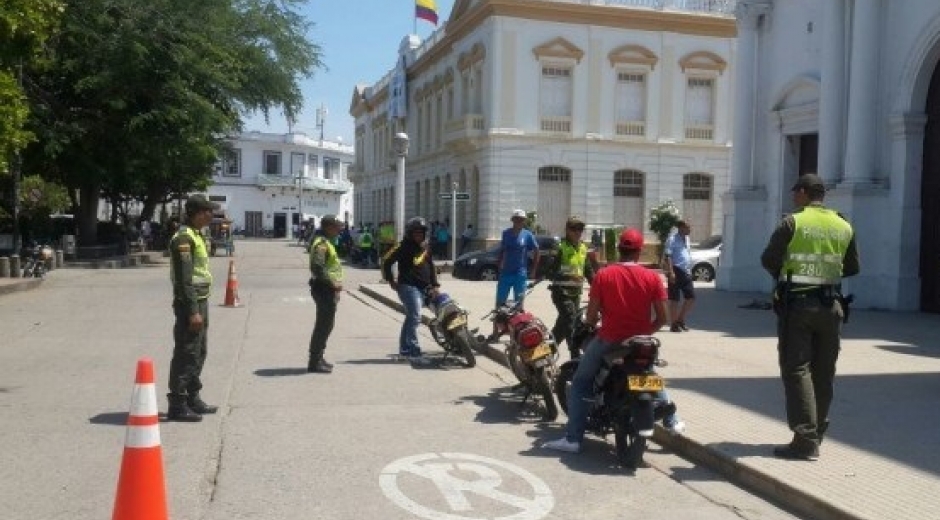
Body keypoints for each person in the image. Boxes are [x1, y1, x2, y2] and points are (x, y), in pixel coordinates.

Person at [543, 228, 678, 453]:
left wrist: (591, 323)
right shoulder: (652, 277)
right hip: (640, 343)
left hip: (610, 340)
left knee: (580, 383)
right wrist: (646, 332)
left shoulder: (604, 275)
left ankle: (573, 439)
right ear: (639, 251)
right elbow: (664, 318)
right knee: (650, 374)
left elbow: (591, 315)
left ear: (618, 250)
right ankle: (673, 420)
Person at [760, 173, 859, 460]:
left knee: (797, 369)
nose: (793, 197)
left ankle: (805, 440)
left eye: (795, 192)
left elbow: (768, 259)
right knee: (824, 372)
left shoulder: (793, 222)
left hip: (799, 306)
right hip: (832, 307)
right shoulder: (843, 224)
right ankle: (816, 433)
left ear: (804, 193)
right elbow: (852, 267)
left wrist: (786, 276)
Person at [166, 195, 221, 422]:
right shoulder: (183, 240)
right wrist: (193, 311)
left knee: (199, 350)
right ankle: (177, 403)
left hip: (201, 299)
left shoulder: (197, 236)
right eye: (208, 211)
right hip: (190, 303)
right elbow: (184, 280)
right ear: (197, 213)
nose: (211, 215)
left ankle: (192, 396)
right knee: (187, 351)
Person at [381, 217, 439, 361]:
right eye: (416, 233)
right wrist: (390, 279)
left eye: (421, 232)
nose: (419, 235)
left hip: (423, 287)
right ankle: (414, 352)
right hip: (408, 286)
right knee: (415, 316)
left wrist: (435, 284)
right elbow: (386, 261)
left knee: (411, 318)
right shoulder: (402, 246)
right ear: (410, 233)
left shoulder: (425, 247)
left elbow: (431, 266)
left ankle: (405, 350)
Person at [487, 209, 540, 342]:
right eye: (516, 219)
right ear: (512, 220)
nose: (519, 222)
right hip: (506, 273)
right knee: (500, 304)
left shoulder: (527, 235)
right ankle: (495, 333)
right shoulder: (506, 233)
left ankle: (516, 335)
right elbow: (503, 250)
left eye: (521, 219)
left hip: (520, 274)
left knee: (519, 305)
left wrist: (533, 269)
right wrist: (499, 265)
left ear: (524, 221)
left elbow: (536, 250)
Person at [548, 216, 595, 358]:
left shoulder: (582, 248)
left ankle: (543, 355)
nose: (577, 232)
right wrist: (566, 275)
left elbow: (588, 271)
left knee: (560, 329)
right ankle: (575, 357)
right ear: (567, 230)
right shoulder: (560, 247)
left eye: (580, 229)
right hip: (561, 293)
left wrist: (599, 286)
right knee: (571, 323)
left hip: (575, 294)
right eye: (574, 229)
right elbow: (549, 270)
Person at [307, 215, 345, 374]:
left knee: (326, 325)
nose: (339, 230)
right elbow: (317, 266)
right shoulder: (321, 244)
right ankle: (314, 361)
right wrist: (332, 283)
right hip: (324, 290)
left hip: (326, 290)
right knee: (323, 326)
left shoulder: (326, 242)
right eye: (337, 227)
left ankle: (318, 357)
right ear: (328, 227)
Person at [663, 220, 696, 332]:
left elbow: (686, 254)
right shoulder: (672, 239)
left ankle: (680, 320)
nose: (690, 229)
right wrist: (671, 272)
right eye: (687, 227)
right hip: (675, 270)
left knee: (691, 297)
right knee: (674, 299)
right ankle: (673, 324)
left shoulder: (687, 239)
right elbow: (668, 256)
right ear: (681, 228)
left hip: (686, 271)